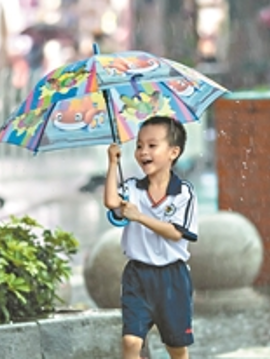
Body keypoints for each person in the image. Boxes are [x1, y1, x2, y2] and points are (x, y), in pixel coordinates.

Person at [104, 116, 198, 359]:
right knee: (131, 342)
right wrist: (112, 164)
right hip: (137, 276)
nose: (143, 151)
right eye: (138, 146)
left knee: (176, 347)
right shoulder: (133, 188)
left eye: (152, 145)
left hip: (172, 278)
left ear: (173, 152)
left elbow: (176, 233)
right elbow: (112, 202)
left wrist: (140, 217)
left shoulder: (183, 193)